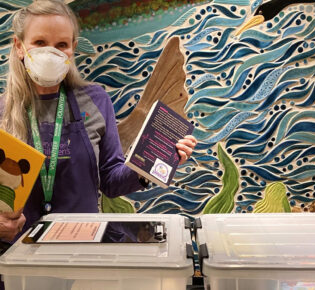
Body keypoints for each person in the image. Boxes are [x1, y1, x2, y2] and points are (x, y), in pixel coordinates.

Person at [0, 0, 197, 241]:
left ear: (73, 48)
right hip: (17, 255)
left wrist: (155, 162)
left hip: (82, 247)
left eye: (61, 44)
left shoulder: (96, 100)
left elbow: (112, 182)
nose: (51, 52)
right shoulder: (2, 109)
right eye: (40, 43)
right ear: (20, 47)